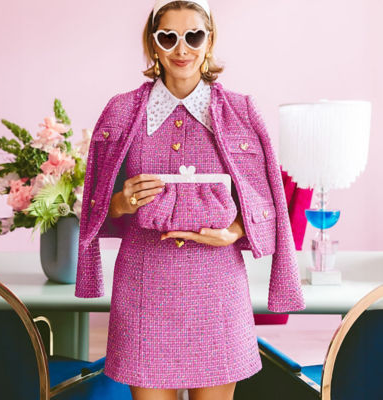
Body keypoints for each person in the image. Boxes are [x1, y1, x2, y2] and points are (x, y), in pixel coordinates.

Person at [74, 1, 306, 399]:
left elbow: (265, 200)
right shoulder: (121, 110)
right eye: (169, 37)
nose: (182, 49)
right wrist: (121, 204)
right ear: (153, 45)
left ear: (209, 40)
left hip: (217, 288)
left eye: (193, 36)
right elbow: (96, 208)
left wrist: (235, 231)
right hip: (144, 286)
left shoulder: (241, 110)